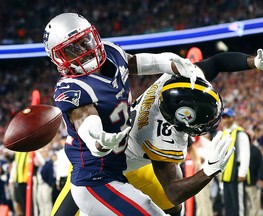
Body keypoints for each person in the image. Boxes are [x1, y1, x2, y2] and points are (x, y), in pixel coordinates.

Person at [50, 36, 263, 215]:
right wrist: (210, 170)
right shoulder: (161, 138)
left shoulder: (178, 80)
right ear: (178, 121)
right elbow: (173, 189)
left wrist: (254, 61)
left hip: (127, 156)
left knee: (174, 210)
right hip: (111, 167)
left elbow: (216, 62)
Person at [44, 12, 199, 216]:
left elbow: (136, 62)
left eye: (85, 41)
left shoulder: (111, 53)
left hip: (121, 163)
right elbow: (85, 118)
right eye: (73, 49)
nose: (85, 50)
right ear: (60, 58)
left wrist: (169, 63)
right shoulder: (72, 88)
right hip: (94, 174)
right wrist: (98, 140)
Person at [220, 108, 250, 216]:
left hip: (236, 171)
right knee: (228, 202)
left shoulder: (240, 133)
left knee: (238, 203)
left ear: (233, 118)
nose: (225, 120)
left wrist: (242, 173)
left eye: (228, 117)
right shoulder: (224, 133)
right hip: (226, 173)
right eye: (224, 117)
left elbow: (245, 154)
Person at [245, 130, 263, 216]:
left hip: (254, 183)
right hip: (243, 183)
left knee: (255, 205)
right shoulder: (241, 150)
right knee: (246, 206)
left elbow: (261, 166)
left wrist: (261, 179)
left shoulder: (256, 151)